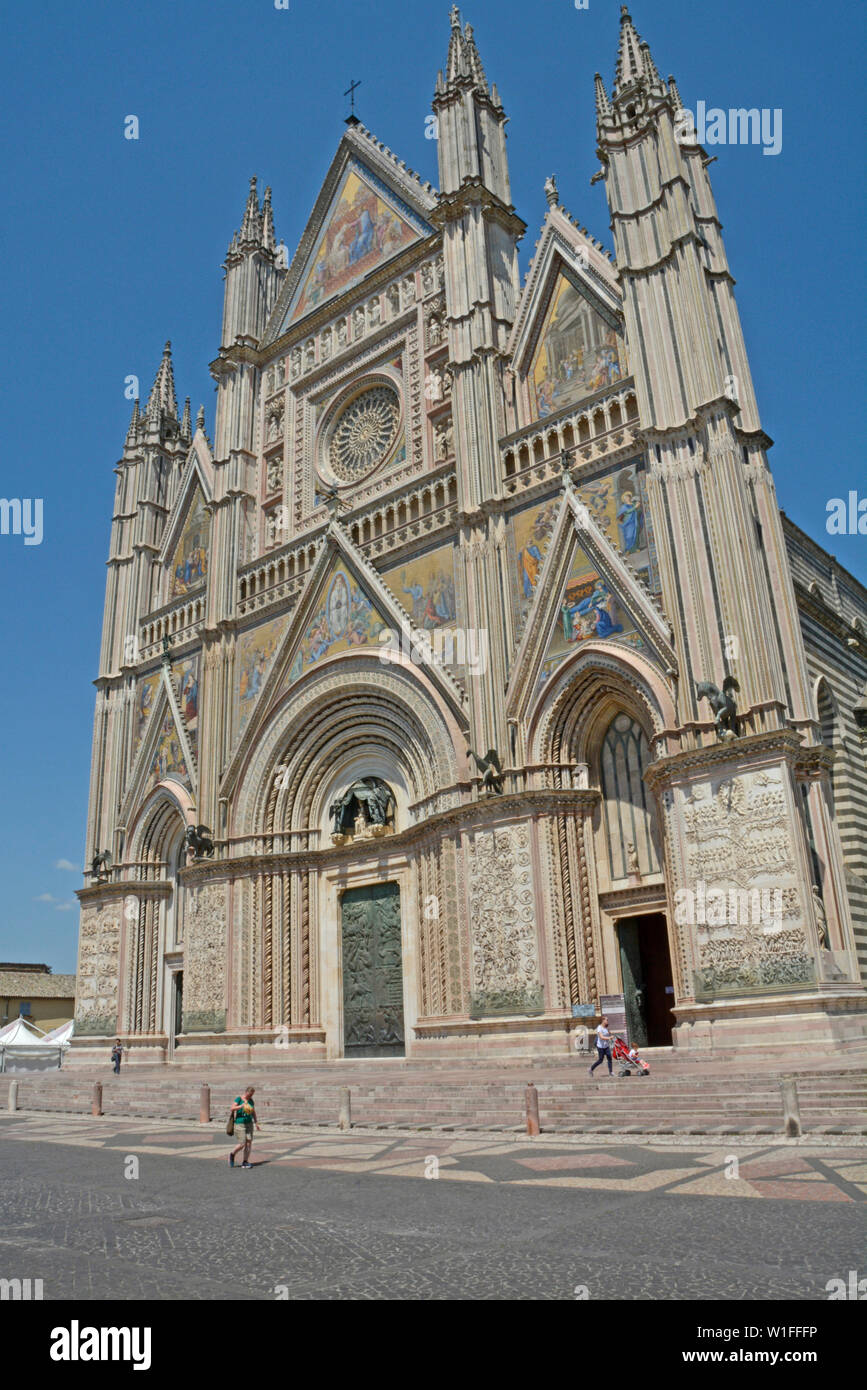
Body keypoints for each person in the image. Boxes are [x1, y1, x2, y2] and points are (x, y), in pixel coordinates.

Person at [228, 1086, 261, 1169]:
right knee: (242, 1144)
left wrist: (256, 1122)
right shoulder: (239, 1099)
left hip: (249, 1123)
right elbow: (232, 1108)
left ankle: (245, 1162)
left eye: (252, 1095)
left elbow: (253, 1112)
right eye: (249, 1094)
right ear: (246, 1092)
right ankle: (232, 1154)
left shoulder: (251, 1101)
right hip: (240, 1123)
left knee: (249, 1142)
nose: (250, 1096)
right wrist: (241, 1106)